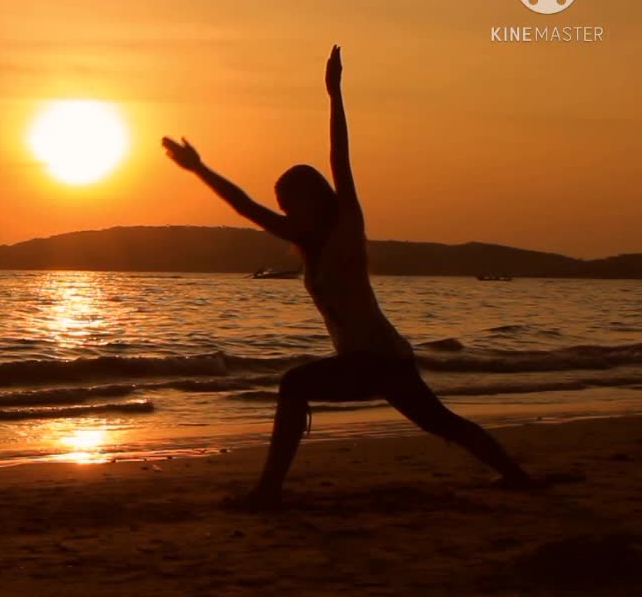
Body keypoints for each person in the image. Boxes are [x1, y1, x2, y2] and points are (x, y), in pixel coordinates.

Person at [163, 45, 535, 510]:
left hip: (381, 358)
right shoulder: (308, 246)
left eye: (290, 201)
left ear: (313, 197)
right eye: (281, 204)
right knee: (437, 421)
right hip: (373, 360)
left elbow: (341, 157)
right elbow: (246, 207)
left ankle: (268, 492)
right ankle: (517, 476)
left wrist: (334, 94)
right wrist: (198, 169)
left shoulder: (345, 226)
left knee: (317, 390)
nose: (284, 211)